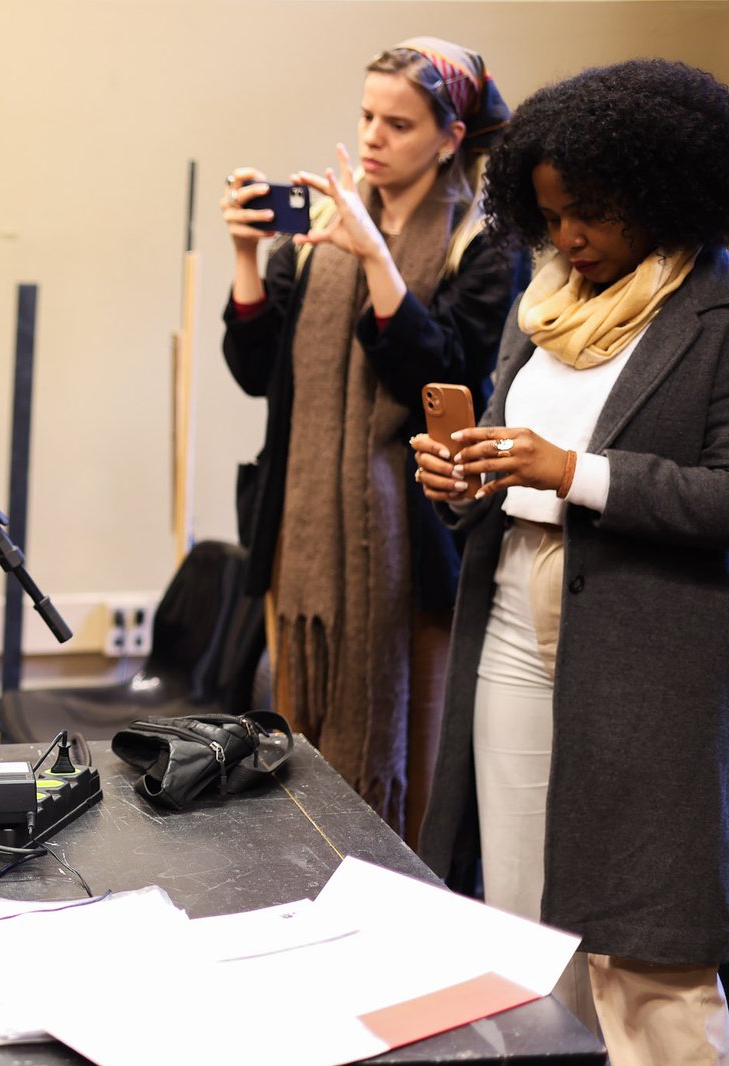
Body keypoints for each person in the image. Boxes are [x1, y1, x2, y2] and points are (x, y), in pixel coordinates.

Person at [413, 58, 729, 1063]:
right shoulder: (542, 303)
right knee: (525, 916)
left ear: (660, 192)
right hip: (512, 607)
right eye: (549, 215)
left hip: (649, 641)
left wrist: (574, 472)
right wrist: (466, 480)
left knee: (647, 937)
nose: (569, 237)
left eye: (590, 213)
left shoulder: (715, 313)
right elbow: (512, 464)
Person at [219, 37, 524, 840]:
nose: (373, 138)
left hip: (415, 547)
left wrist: (378, 261)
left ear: (450, 137)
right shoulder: (319, 229)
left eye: (399, 123)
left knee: (414, 770)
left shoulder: (482, 242)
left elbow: (446, 377)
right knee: (296, 746)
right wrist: (247, 257)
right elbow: (257, 373)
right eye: (366, 117)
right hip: (303, 540)